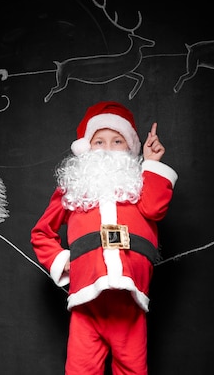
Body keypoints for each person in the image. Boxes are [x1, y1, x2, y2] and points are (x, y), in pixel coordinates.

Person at [31, 100, 178, 375]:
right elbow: (42, 232)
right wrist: (63, 261)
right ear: (86, 148)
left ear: (131, 149)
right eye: (99, 141)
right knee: (80, 370)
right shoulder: (73, 190)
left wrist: (153, 164)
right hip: (87, 302)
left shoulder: (141, 186)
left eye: (117, 141)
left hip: (129, 302)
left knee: (133, 370)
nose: (108, 149)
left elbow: (156, 208)